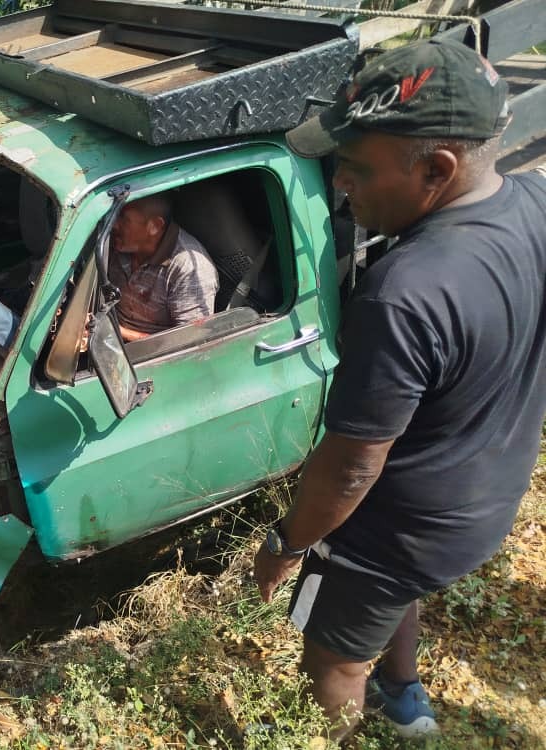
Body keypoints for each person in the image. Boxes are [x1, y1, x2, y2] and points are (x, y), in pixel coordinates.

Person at [253, 38, 546, 741]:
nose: (341, 188)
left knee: (331, 656)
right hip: (484, 494)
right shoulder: (534, 203)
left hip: (399, 525)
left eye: (354, 171)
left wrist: (289, 542)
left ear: (436, 169)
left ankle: (343, 722)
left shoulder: (405, 294)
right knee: (390, 592)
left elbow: (354, 464)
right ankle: (403, 690)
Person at [106, 193, 219, 341]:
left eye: (124, 219)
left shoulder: (188, 269)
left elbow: (190, 342)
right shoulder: (119, 244)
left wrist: (116, 332)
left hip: (153, 355)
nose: (114, 225)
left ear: (154, 226)